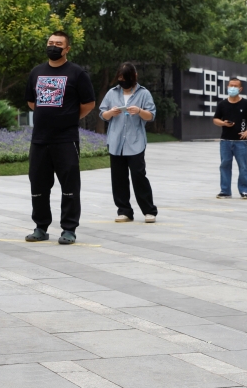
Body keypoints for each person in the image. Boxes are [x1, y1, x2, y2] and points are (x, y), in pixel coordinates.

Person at [24, 31, 96, 244]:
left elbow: (89, 103)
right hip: (40, 139)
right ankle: (41, 227)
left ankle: (69, 229)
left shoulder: (77, 73)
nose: (53, 46)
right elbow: (31, 101)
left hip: (66, 139)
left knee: (69, 186)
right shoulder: (37, 72)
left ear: (67, 49)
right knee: (38, 185)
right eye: (50, 43)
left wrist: (69, 118)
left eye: (58, 44)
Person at [99, 62, 158, 223]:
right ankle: (124, 211)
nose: (123, 81)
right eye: (120, 77)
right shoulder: (112, 93)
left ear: (135, 77)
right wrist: (110, 112)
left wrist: (139, 111)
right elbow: (102, 114)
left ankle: (149, 210)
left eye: (126, 78)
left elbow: (151, 115)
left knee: (139, 175)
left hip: (135, 141)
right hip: (116, 141)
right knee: (118, 177)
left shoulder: (143, 93)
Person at [213, 77, 247, 199]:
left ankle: (244, 190)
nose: (232, 88)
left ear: (240, 89)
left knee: (243, 166)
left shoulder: (246, 104)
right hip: (225, 141)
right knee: (225, 165)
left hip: (241, 141)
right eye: (230, 86)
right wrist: (224, 123)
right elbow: (215, 119)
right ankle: (225, 190)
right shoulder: (222, 104)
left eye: (235, 86)